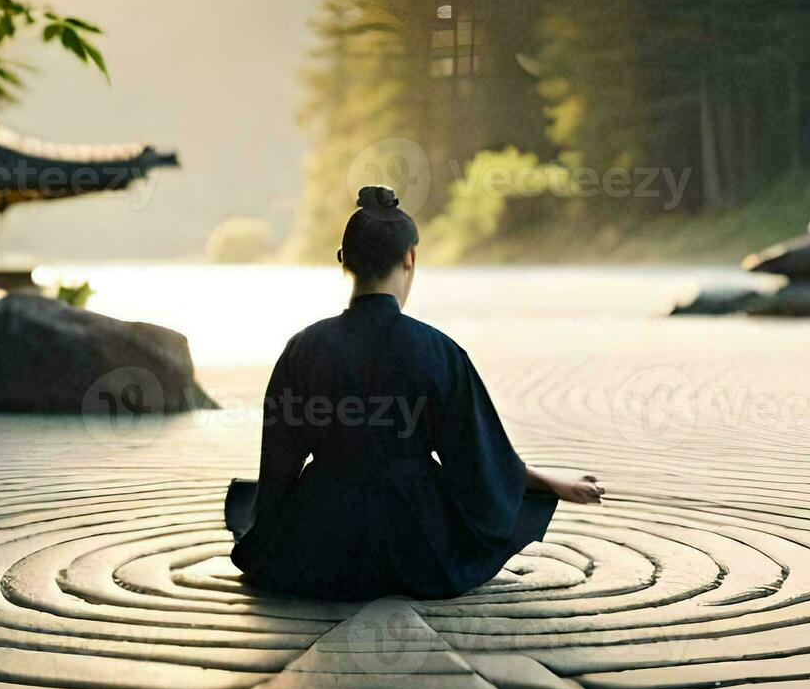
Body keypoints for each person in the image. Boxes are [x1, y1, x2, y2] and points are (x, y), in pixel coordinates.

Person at [228, 186, 605, 601]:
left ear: (343, 261)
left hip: (323, 544)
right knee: (498, 502)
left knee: (251, 502)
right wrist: (547, 483)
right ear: (410, 259)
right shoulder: (438, 351)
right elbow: (477, 463)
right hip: (418, 545)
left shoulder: (303, 347)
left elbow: (279, 464)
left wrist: (272, 538)